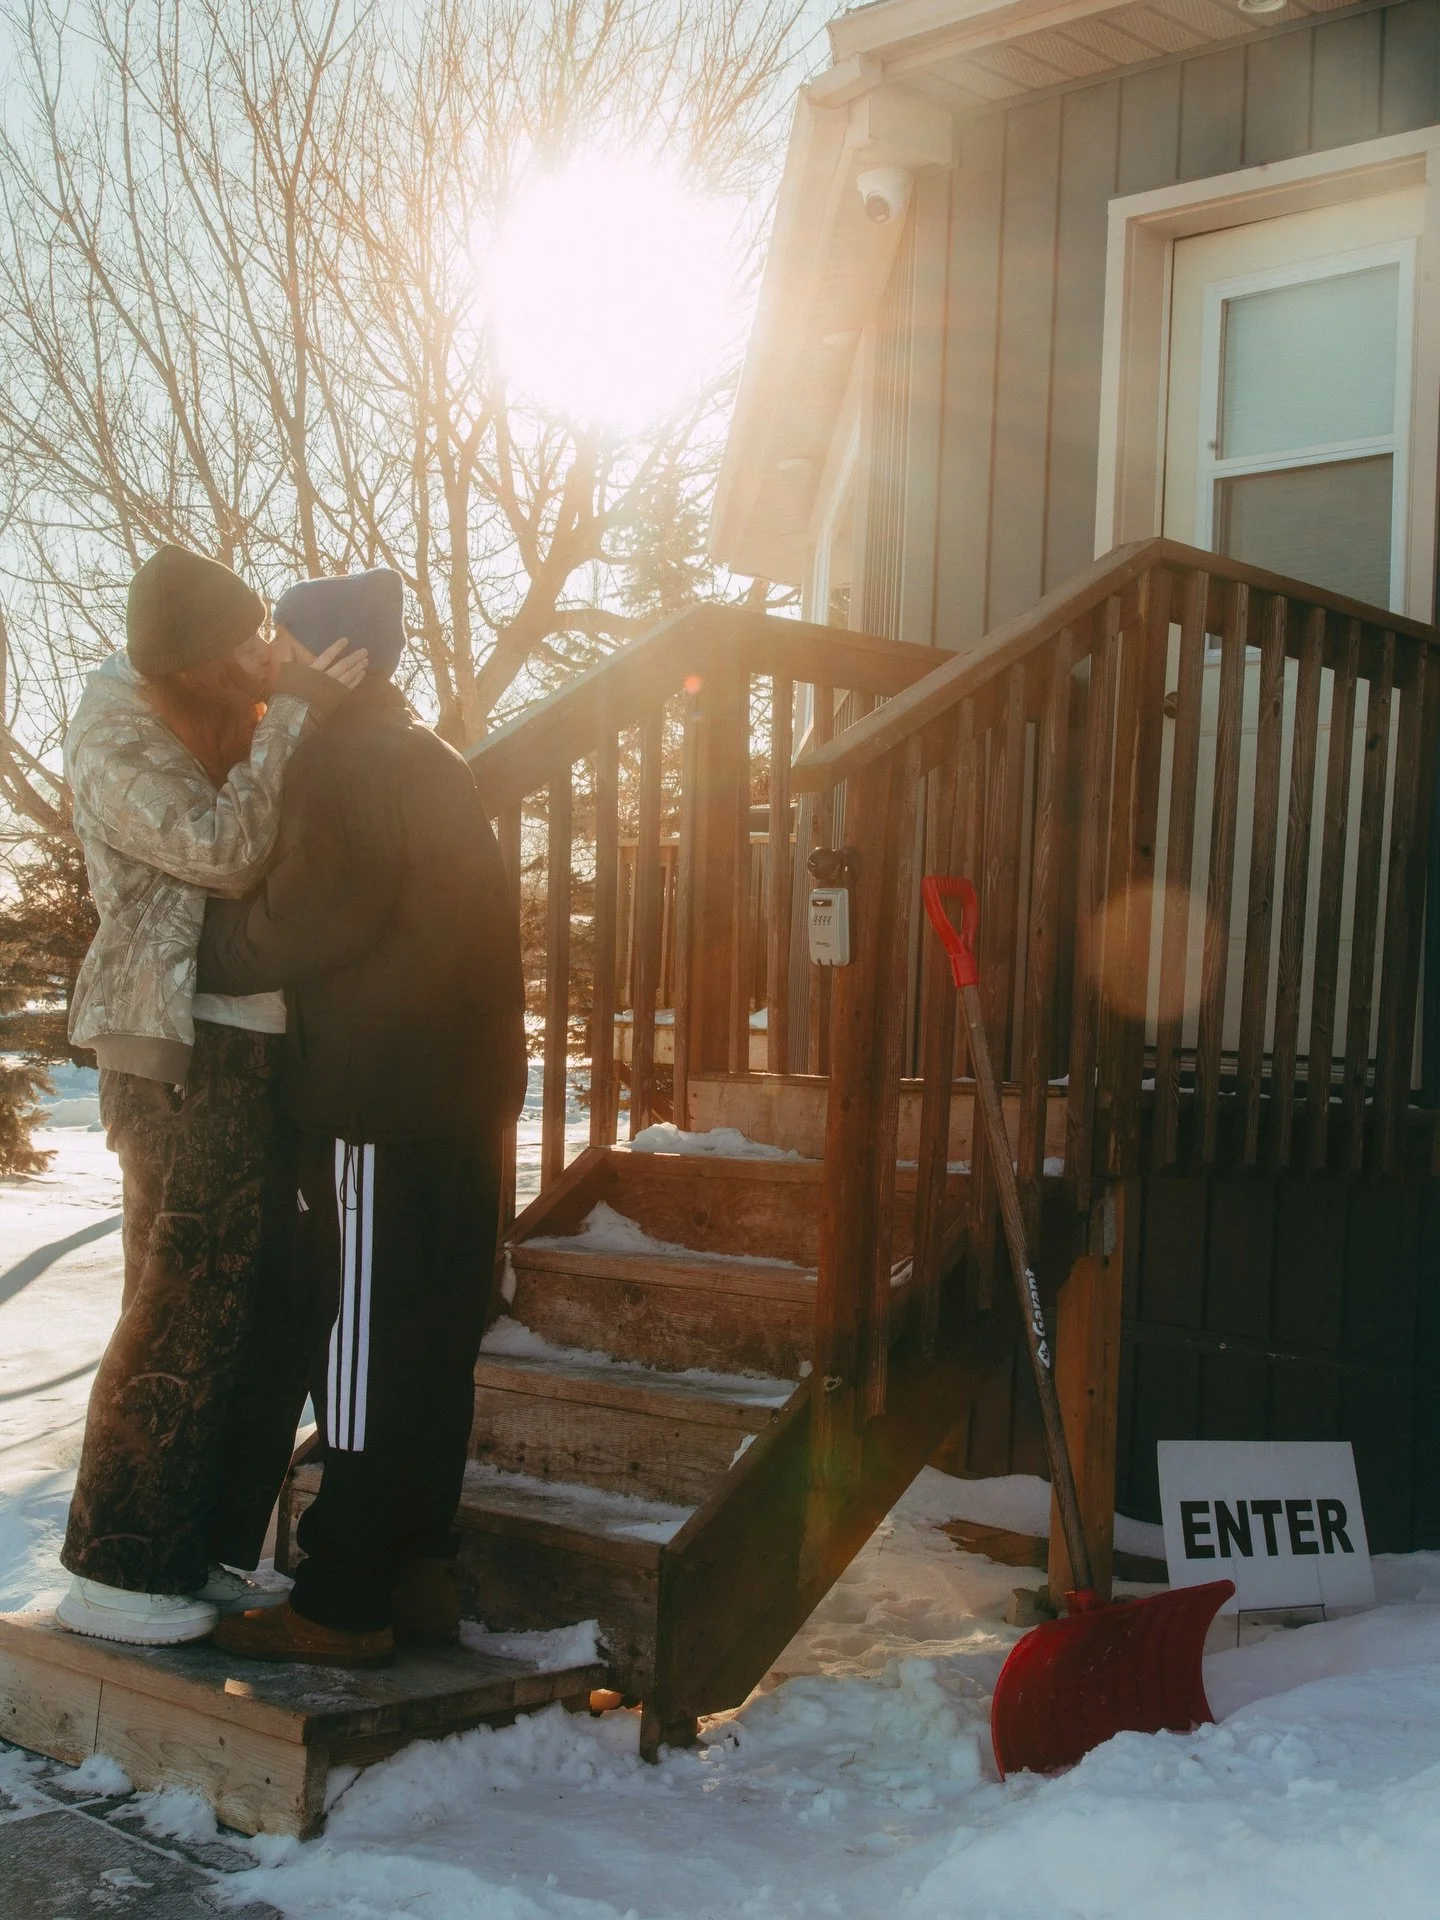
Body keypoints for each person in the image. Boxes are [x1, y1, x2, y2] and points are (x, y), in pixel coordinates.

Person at [196, 568, 526, 1666]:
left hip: (377, 1101)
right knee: (432, 1344)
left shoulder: (344, 758)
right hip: (459, 1100)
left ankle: (340, 1603)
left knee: (364, 1351)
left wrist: (201, 949)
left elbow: (309, 918)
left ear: (338, 655)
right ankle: (417, 1575)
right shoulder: (424, 754)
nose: (267, 659)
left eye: (283, 641)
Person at [57, 543, 366, 1647]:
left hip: (255, 1045)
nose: (260, 655)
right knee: (179, 1307)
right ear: (184, 658)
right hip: (176, 1052)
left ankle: (201, 1552)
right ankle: (116, 1570)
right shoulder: (114, 732)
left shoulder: (225, 712)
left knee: (263, 1305)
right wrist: (298, 714)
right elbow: (222, 850)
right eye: (238, 643)